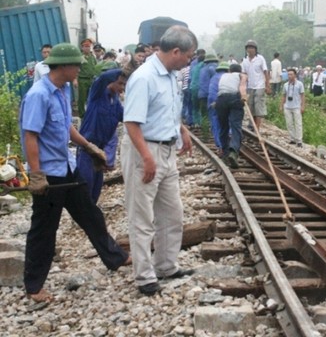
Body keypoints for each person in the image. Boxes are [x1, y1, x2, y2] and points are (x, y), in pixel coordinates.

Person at [19, 43, 130, 303]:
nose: (80, 69)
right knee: (44, 230)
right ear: (64, 66)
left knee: (90, 214)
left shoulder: (63, 89)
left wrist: (88, 147)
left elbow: (66, 126)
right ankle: (34, 286)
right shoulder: (39, 95)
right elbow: (30, 137)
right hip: (49, 175)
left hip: (67, 167)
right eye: (77, 65)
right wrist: (36, 175)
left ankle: (116, 257)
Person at [121, 25, 197, 296]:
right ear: (175, 51)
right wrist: (146, 158)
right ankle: (144, 277)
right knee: (142, 218)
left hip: (167, 150)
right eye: (188, 56)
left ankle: (166, 265)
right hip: (146, 151)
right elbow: (131, 122)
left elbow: (167, 110)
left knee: (172, 213)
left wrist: (182, 130)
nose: (189, 61)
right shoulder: (145, 78)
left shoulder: (171, 76)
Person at [77, 68, 131, 203]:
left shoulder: (115, 101)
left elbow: (125, 117)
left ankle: (90, 216)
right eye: (119, 83)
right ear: (110, 81)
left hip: (100, 150)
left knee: (96, 187)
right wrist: (123, 69)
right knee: (85, 184)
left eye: (124, 84)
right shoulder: (98, 94)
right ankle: (84, 216)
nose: (122, 88)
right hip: (87, 148)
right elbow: (102, 78)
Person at [215, 63, 248, 168]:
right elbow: (242, 87)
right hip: (234, 98)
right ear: (240, 71)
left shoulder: (223, 76)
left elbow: (220, 90)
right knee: (236, 126)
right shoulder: (242, 75)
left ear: (229, 70)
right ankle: (233, 152)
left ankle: (224, 154)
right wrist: (243, 97)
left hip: (221, 100)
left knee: (223, 127)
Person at [241, 39, 270, 130]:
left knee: (258, 107)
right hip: (250, 86)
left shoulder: (260, 58)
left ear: (255, 49)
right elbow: (244, 74)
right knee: (251, 106)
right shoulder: (245, 61)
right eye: (248, 48)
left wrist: (267, 85)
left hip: (260, 86)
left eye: (252, 48)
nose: (250, 50)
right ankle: (252, 125)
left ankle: (257, 127)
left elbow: (265, 71)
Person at [208, 62, 229, 155]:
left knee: (216, 124)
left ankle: (220, 146)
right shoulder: (229, 77)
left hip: (213, 102)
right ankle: (226, 144)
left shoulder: (214, 78)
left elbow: (211, 92)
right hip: (225, 102)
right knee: (226, 123)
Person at [280, 68, 305, 147]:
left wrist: (303, 106)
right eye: (288, 74)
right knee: (289, 123)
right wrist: (281, 105)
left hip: (296, 106)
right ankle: (292, 138)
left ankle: (299, 140)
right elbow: (284, 96)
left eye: (291, 74)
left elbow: (302, 95)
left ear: (295, 75)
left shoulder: (299, 84)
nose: (289, 76)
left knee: (298, 123)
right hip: (287, 106)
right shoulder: (286, 85)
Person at [77, 38, 98, 118]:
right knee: (82, 98)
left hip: (91, 80)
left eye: (88, 46)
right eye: (85, 46)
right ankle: (82, 115)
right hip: (82, 80)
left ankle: (90, 113)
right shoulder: (80, 57)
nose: (87, 48)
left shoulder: (92, 57)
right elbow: (76, 69)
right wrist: (75, 80)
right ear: (82, 47)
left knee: (91, 97)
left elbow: (95, 67)